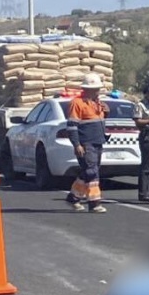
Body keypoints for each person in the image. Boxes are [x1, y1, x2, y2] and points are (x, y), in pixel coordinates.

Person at [64, 73, 110, 213]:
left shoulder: (98, 103)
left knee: (88, 172)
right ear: (87, 89)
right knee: (92, 171)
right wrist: (77, 144)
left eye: (98, 88)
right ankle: (94, 202)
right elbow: (72, 127)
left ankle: (73, 197)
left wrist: (106, 112)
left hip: (98, 142)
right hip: (86, 143)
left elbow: (98, 120)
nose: (97, 91)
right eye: (94, 89)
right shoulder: (77, 103)